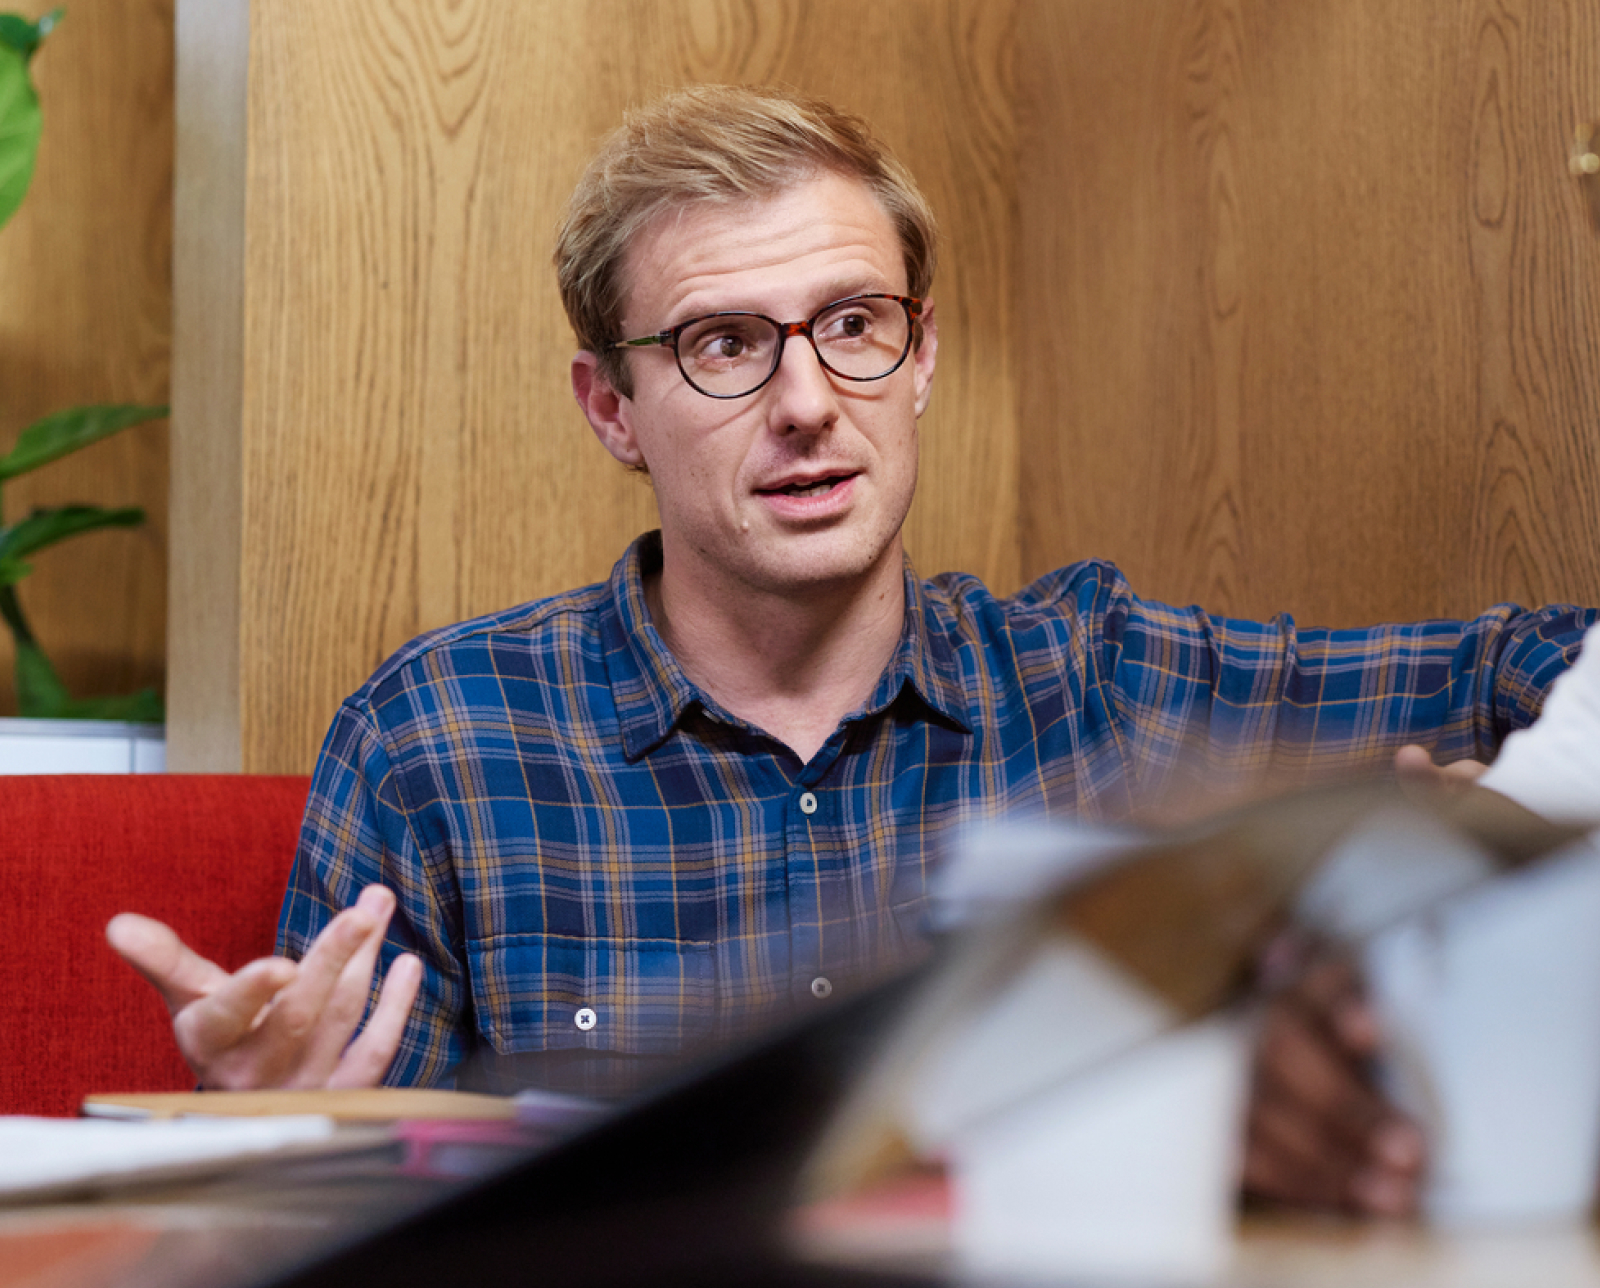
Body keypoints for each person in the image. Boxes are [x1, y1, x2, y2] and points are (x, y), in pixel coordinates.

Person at [110, 84, 1594, 1208]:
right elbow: (362, 1223)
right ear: (610, 408)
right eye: (724, 344)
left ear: (923, 354)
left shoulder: (1106, 673)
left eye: (854, 323)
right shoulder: (440, 737)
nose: (810, 400)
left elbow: (1565, 661)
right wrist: (284, 1122)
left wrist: (1507, 820)